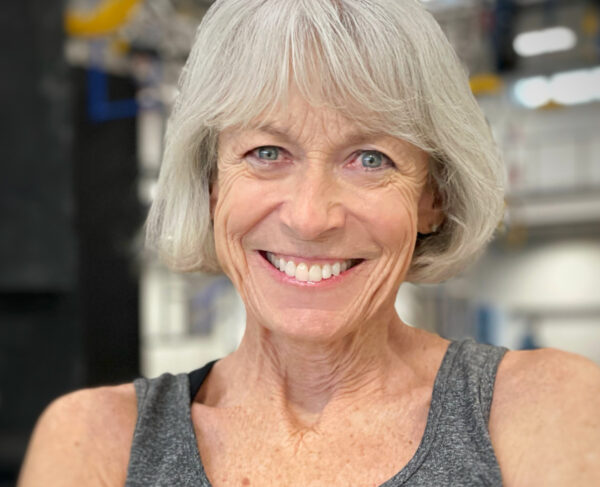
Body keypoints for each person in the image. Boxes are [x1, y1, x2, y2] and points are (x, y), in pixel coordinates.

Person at [18, 0, 600, 485]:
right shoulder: (92, 445)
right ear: (212, 185)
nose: (310, 216)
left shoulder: (546, 409)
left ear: (433, 198)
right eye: (267, 153)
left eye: (371, 159)